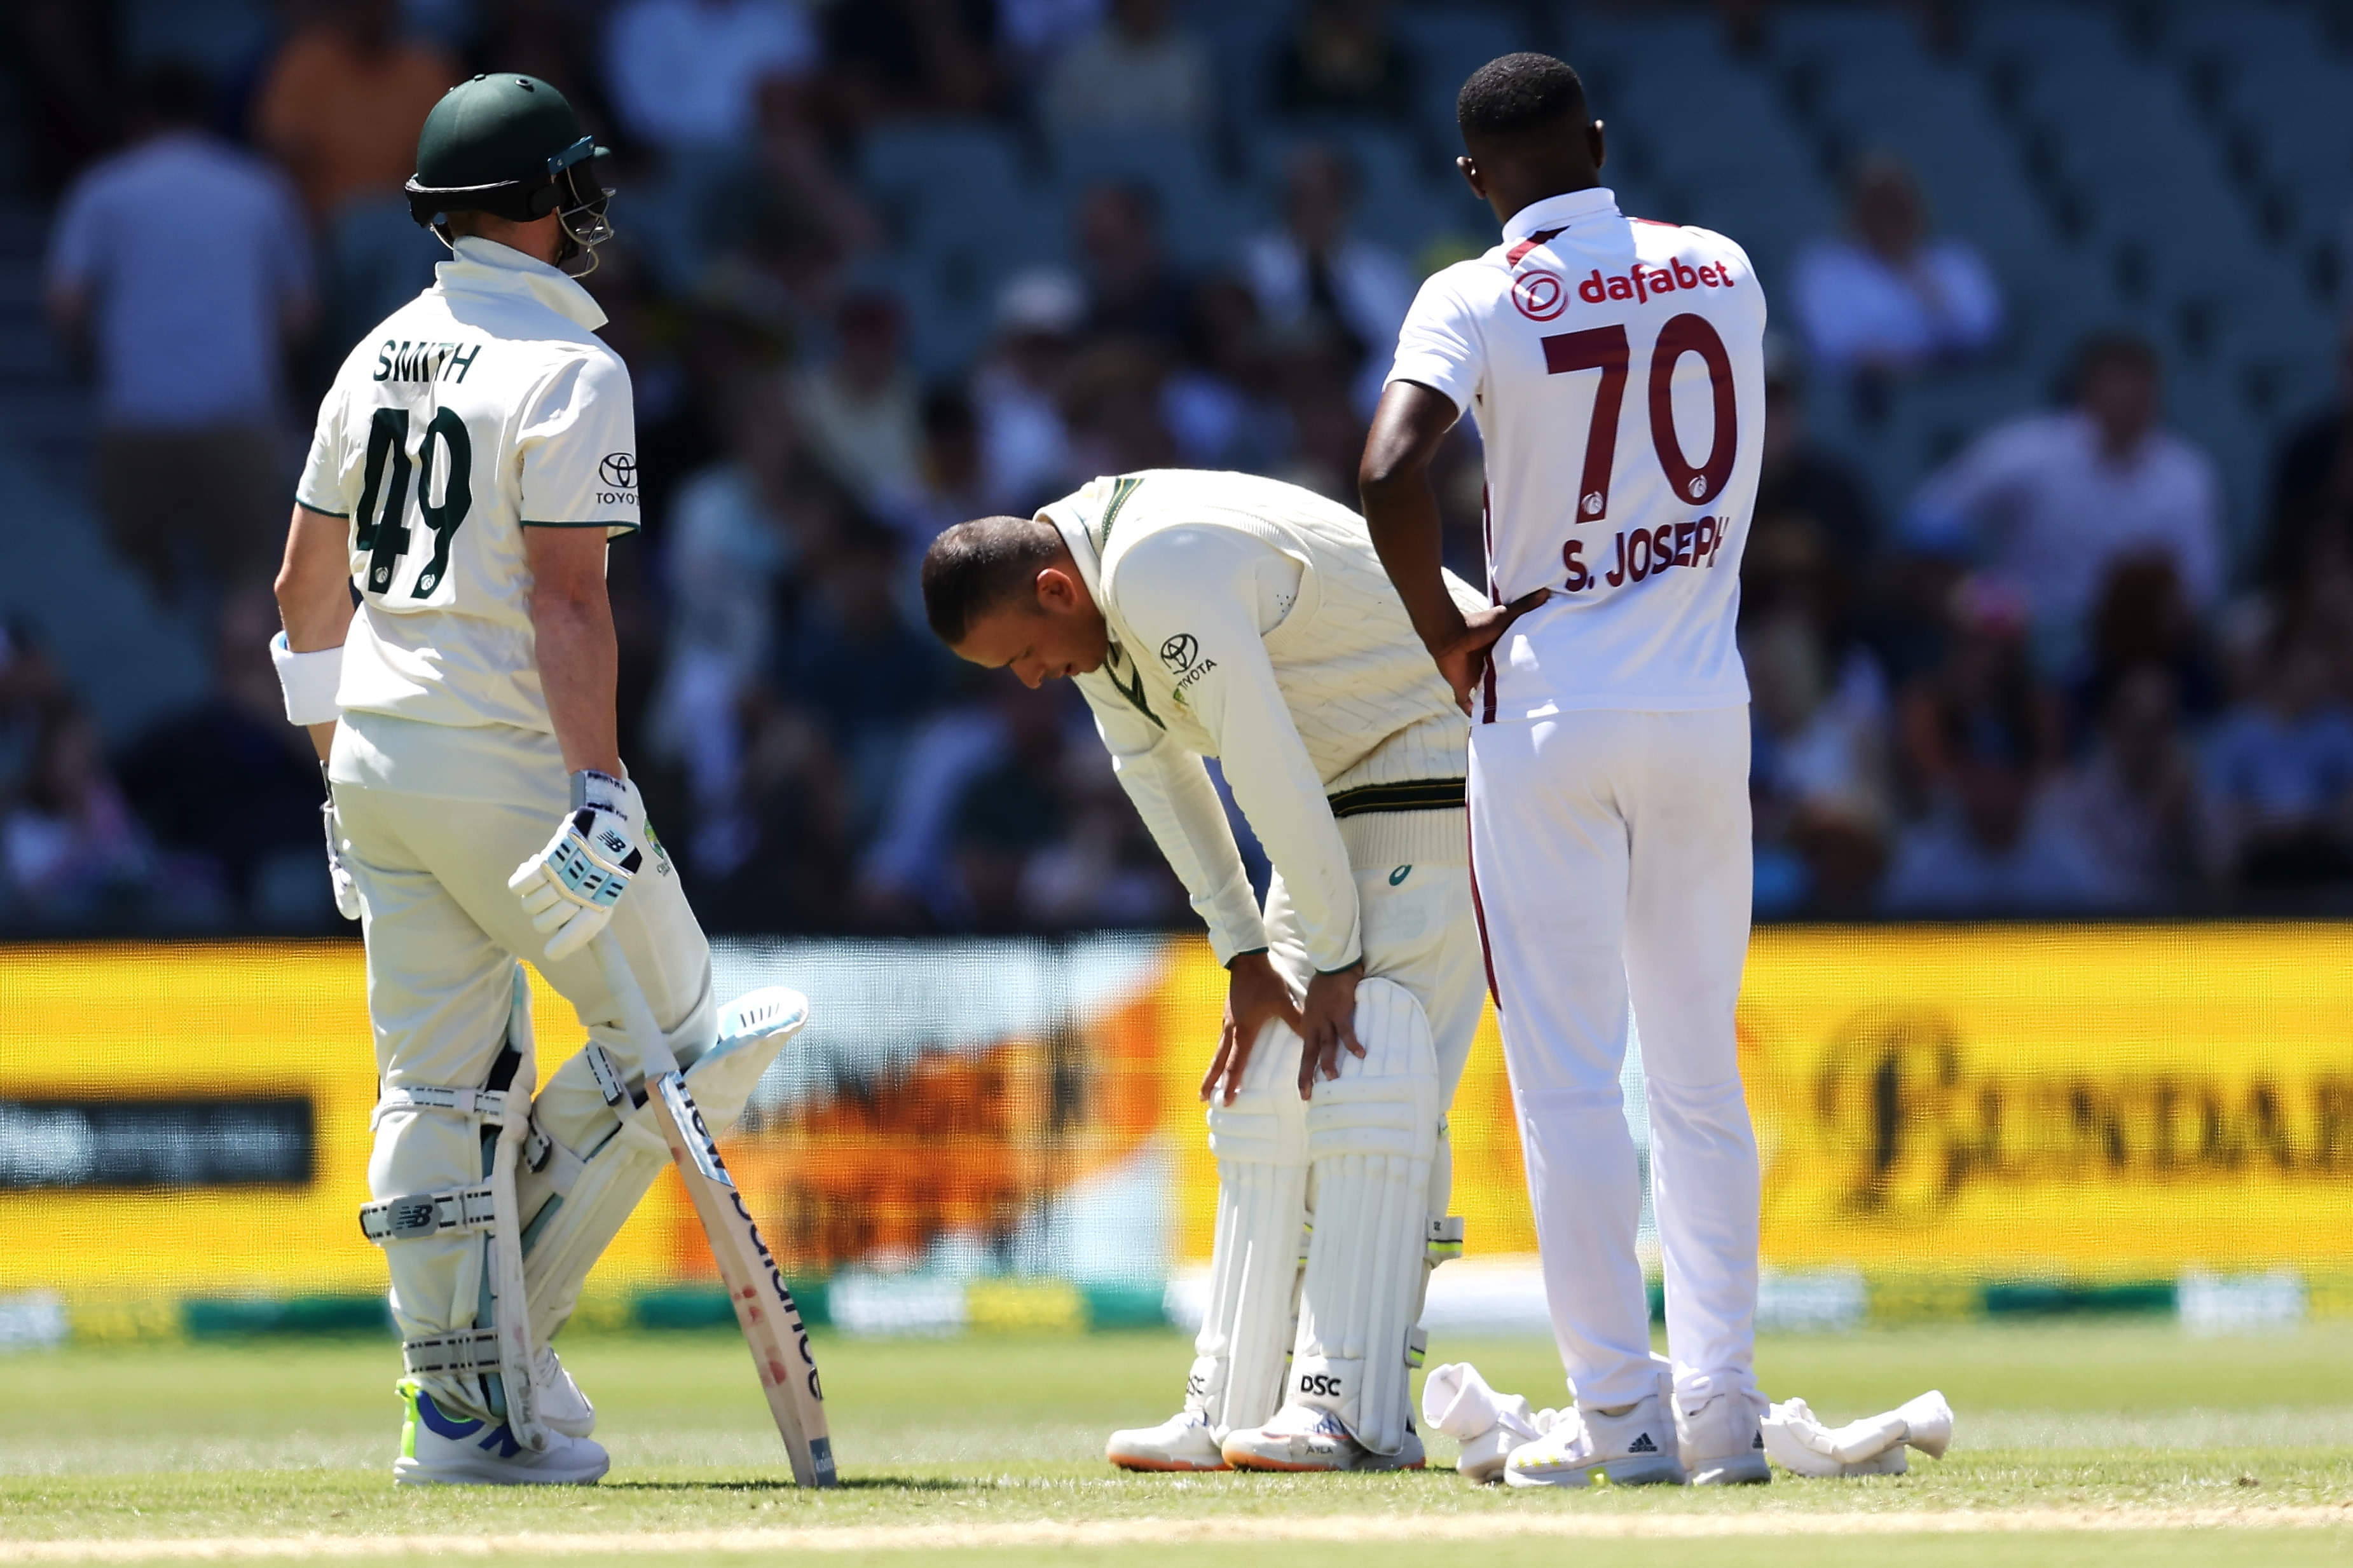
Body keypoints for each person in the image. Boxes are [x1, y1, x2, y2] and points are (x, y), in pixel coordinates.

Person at [269, 74, 802, 1485]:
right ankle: (512, 1356)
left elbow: (300, 591)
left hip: (378, 760)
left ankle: (458, 1412)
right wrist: (600, 787)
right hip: (509, 759)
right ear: (532, 202)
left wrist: (338, 772)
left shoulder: (373, 353)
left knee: (436, 1094)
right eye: (574, 182)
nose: (592, 207)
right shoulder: (573, 367)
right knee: (694, 1038)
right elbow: (570, 604)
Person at [1357, 53, 1771, 1487]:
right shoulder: (1719, 266)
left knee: (1570, 1087)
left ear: (1475, 179)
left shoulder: (1469, 290)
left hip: (1541, 702)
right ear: (1596, 140)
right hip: (1699, 703)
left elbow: (1384, 468)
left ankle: (1623, 1424)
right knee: (1699, 1077)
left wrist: (1442, 631)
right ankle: (1724, 1412)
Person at [921, 468, 1491, 1472]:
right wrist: (1242, 948)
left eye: (1021, 655)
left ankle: (1348, 1404)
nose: (1028, 679)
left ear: (1054, 590)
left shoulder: (1157, 563)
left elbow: (1255, 753)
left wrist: (1340, 955)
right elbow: (1156, 771)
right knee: (1267, 1082)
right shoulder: (1091, 599)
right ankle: (1236, 1392)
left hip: (1443, 748)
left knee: (1370, 1069)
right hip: (1340, 785)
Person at [45, 61, 315, 610]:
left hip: (137, 413)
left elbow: (65, 306)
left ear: (137, 119)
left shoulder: (105, 188)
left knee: (134, 598)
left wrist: (97, 365)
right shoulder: (258, 189)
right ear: (210, 118)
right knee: (251, 585)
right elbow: (300, 312)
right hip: (238, 414)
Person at [1902, 333, 2223, 664]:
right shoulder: (2028, 452)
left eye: (2137, 394)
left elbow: (2200, 587)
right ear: (2088, 391)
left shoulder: (2187, 474)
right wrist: (1967, 597)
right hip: (2022, 641)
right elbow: (1932, 511)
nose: (2126, 405)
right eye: (2116, 390)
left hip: (2134, 651)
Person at [1790, 154, 2002, 379]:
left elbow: (1984, 330)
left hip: (1953, 382)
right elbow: (1833, 345)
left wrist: (1917, 275)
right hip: (1871, 395)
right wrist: (1910, 361)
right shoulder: (1824, 269)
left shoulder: (1953, 261)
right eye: (1877, 204)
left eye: (1896, 203)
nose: (1888, 216)